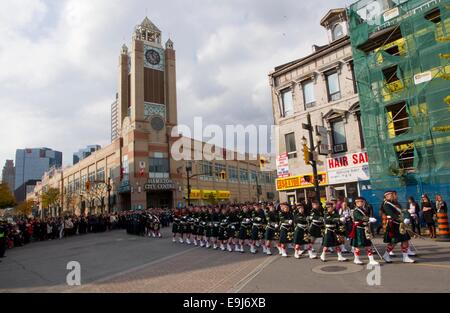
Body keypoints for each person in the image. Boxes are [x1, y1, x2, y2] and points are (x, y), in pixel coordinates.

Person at [382, 191, 415, 263]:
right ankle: (386, 255)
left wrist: (406, 212)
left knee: (405, 240)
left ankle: (405, 257)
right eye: (391, 195)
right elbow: (391, 214)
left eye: (392, 195)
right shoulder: (386, 204)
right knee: (393, 242)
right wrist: (401, 220)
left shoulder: (395, 203)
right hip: (393, 224)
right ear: (386, 196)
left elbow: (400, 212)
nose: (393, 196)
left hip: (400, 224)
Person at [349, 197, 379, 265]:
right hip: (359, 230)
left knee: (368, 245)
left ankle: (371, 260)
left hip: (365, 229)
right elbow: (360, 217)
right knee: (358, 246)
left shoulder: (364, 209)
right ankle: (356, 259)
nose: (360, 203)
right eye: (358, 202)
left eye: (361, 201)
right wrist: (369, 219)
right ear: (356, 203)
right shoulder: (355, 211)